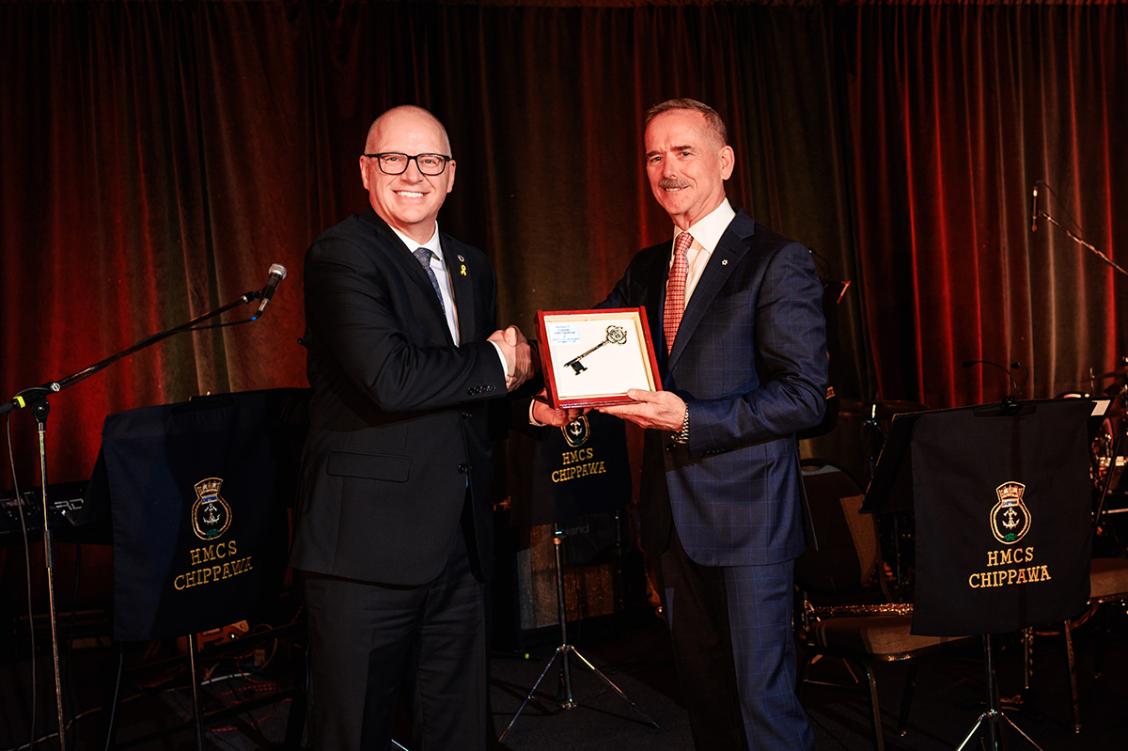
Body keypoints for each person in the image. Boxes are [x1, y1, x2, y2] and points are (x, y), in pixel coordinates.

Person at [534, 98, 827, 750]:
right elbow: (584, 348)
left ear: (724, 161)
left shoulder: (774, 261)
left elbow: (807, 397)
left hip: (750, 524)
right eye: (653, 155)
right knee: (710, 711)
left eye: (683, 151)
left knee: (764, 710)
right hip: (671, 526)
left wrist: (693, 417)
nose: (666, 168)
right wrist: (546, 390)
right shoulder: (647, 267)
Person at [291, 105, 533, 750]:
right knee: (353, 732)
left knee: (457, 728)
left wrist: (529, 406)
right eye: (394, 159)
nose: (412, 175)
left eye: (430, 161)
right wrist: (498, 362)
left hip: (458, 542)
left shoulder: (469, 264)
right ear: (365, 172)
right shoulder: (341, 255)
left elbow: (463, 393)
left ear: (451, 176)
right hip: (364, 548)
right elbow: (391, 377)